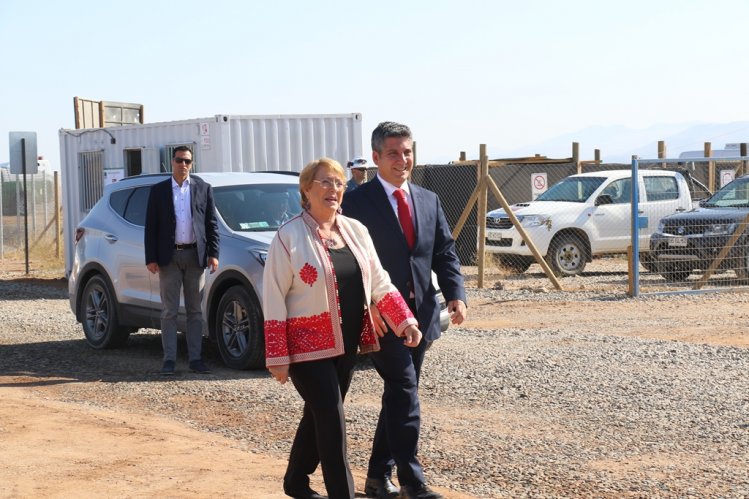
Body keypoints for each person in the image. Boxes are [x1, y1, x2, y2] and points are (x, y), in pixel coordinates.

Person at [263, 157, 422, 499]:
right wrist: (277, 354)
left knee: (320, 413)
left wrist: (404, 320)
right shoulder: (288, 236)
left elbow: (379, 280)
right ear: (306, 189)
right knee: (332, 419)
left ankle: (296, 481)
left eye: (338, 183)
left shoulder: (356, 231)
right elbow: (273, 296)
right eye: (324, 182)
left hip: (347, 343)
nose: (333, 189)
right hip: (305, 346)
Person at [341, 122, 467, 499]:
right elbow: (348, 261)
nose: (402, 159)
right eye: (393, 153)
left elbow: (444, 251)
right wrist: (368, 308)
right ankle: (413, 481)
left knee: (399, 395)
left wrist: (455, 294)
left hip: (423, 315)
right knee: (405, 390)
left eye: (407, 151)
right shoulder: (357, 202)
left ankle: (378, 477)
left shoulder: (428, 200)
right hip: (383, 317)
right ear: (376, 157)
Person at [145, 146, 220, 376]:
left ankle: (196, 359)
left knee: (195, 311)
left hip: (195, 257)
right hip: (169, 258)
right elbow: (151, 227)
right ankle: (169, 360)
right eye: (179, 160)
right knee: (169, 311)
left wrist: (213, 253)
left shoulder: (202, 189)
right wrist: (151, 258)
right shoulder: (159, 191)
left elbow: (211, 223)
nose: (183, 165)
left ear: (192, 163)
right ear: (172, 162)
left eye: (187, 161)